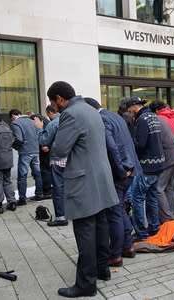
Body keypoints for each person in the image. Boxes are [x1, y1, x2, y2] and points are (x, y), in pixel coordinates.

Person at [49, 81, 118, 298]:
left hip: (84, 180)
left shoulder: (70, 114)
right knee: (100, 226)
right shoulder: (90, 108)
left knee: (85, 232)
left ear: (59, 98)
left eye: (53, 102)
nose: (54, 106)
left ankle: (86, 284)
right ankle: (102, 270)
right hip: (101, 177)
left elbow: (59, 149)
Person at [84, 97, 142, 267]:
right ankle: (127, 246)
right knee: (120, 209)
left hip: (120, 172)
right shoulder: (114, 116)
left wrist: (120, 169)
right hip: (129, 169)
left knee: (114, 213)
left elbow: (111, 146)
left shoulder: (102, 119)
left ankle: (115, 254)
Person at [127, 98, 165, 242]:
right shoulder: (154, 116)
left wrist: (129, 141)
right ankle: (154, 227)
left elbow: (140, 144)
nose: (130, 114)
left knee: (137, 198)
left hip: (146, 165)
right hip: (158, 163)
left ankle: (141, 233)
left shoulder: (142, 119)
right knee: (151, 197)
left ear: (135, 107)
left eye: (130, 111)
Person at [149, 101, 174, 220]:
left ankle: (167, 216)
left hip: (168, 154)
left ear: (155, 111)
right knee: (172, 186)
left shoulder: (159, 119)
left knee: (160, 187)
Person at [34, 105, 68, 227]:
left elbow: (43, 141)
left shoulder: (53, 124)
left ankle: (60, 217)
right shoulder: (68, 119)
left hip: (58, 159)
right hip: (71, 158)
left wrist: (39, 129)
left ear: (51, 112)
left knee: (58, 188)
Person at [9, 109, 44, 205]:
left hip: (25, 151)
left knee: (22, 176)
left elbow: (19, 138)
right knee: (37, 173)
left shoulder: (16, 123)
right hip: (35, 150)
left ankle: (22, 199)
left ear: (13, 116)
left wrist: (14, 146)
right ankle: (39, 194)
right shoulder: (31, 121)